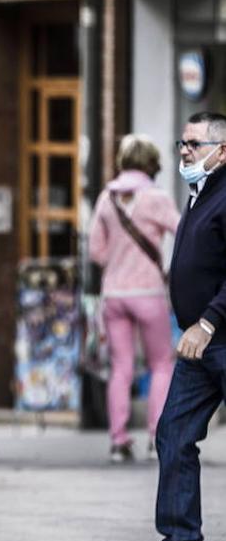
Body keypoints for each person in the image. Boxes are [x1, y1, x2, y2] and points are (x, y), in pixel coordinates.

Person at [124, 111, 226, 541]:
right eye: (182, 143)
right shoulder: (198, 194)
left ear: (222, 150)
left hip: (213, 335)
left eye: (194, 144)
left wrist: (208, 321)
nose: (184, 151)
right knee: (174, 434)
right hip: (198, 346)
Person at [89, 135, 180, 464]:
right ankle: (157, 436)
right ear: (151, 163)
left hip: (114, 295)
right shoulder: (156, 198)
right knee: (160, 364)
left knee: (121, 367)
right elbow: (182, 234)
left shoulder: (107, 198)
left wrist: (117, 261)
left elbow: (96, 251)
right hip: (149, 292)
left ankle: (118, 440)